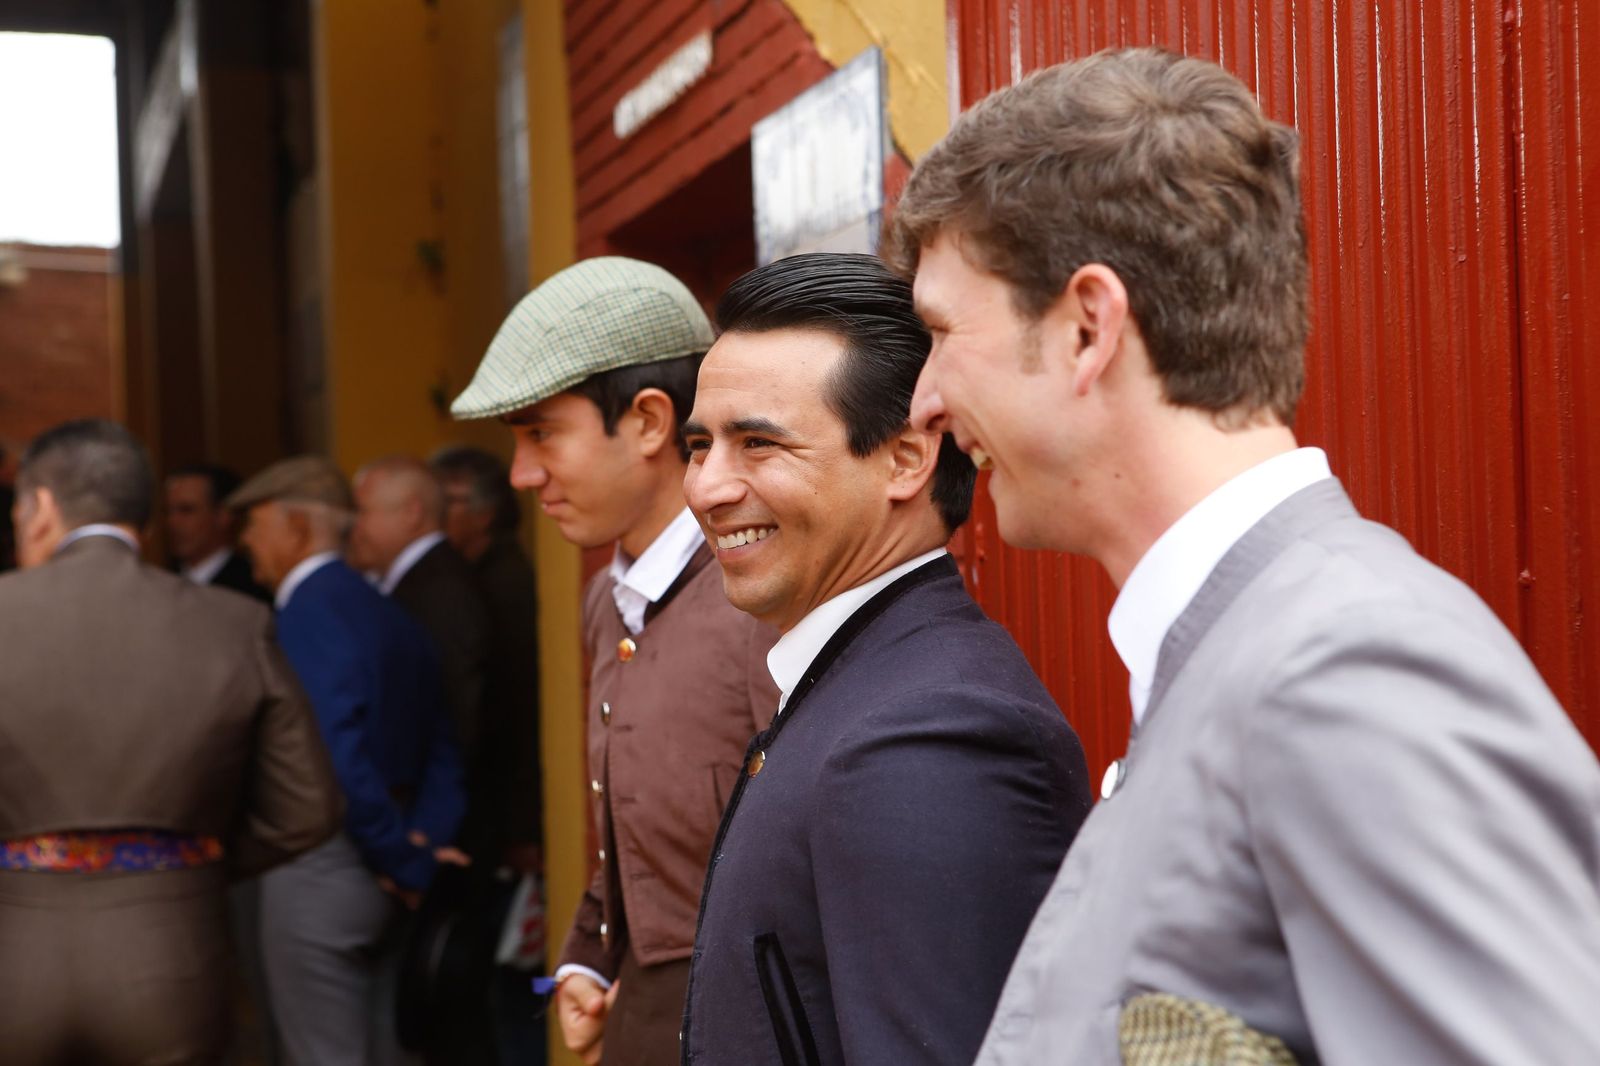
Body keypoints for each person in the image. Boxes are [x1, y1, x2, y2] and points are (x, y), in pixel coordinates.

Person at [891, 46, 1600, 1065]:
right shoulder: (1256, 654)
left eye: (940, 331)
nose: (923, 399)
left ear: (1089, 325)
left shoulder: (1343, 671)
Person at [677, 252, 1092, 1066]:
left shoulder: (931, 731)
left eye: (758, 443)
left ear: (907, 460)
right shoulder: (866, 682)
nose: (706, 488)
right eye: (700, 446)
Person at [450, 256, 780, 1066]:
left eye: (541, 435)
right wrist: (586, 958)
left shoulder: (763, 591)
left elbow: (802, 858)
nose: (523, 475)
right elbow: (627, 827)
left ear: (648, 421)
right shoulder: (607, 601)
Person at [0, 419, 339, 1065]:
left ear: (41, 508)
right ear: (144, 516)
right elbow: (309, 806)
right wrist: (185, 856)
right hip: (174, 951)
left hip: (13, 950)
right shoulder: (233, 622)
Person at [229, 455, 466, 1066]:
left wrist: (398, 856)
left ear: (296, 527)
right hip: (393, 856)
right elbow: (443, 742)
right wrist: (419, 845)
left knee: (321, 1052)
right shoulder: (387, 609)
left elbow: (329, 756)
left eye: (254, 525)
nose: (246, 543)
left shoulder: (304, 614)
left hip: (327, 865)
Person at [165, 462, 270, 601]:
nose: (172, 522)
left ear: (222, 516)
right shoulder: (161, 583)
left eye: (187, 510)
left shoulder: (256, 586)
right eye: (166, 511)